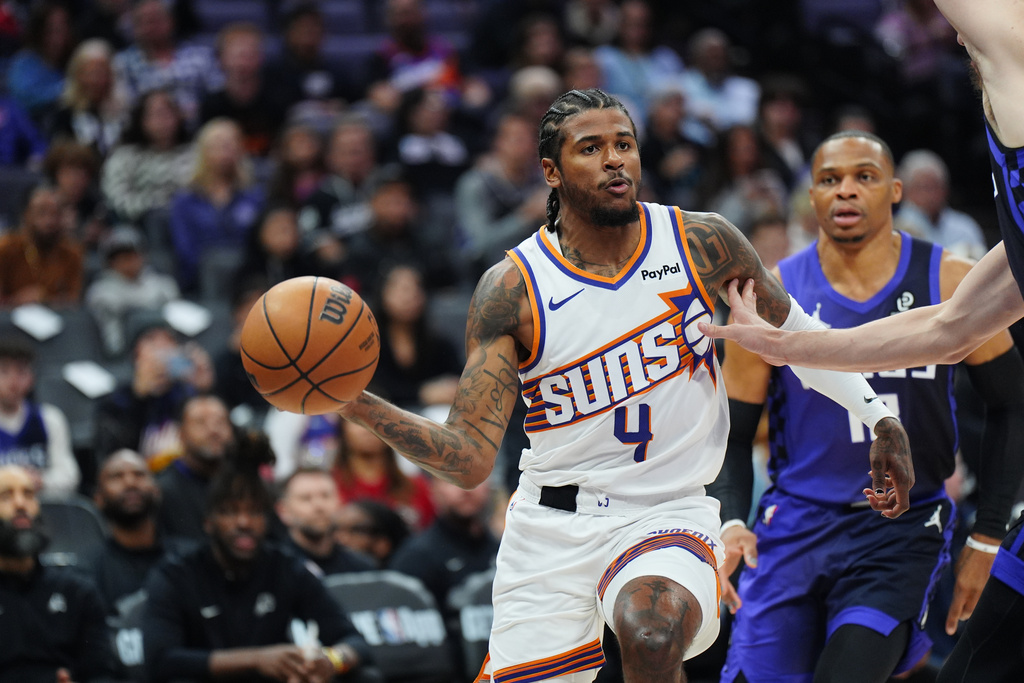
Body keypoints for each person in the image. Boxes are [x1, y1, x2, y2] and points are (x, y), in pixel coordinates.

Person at [329, 88, 913, 683]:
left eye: (624, 144)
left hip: (670, 511)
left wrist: (880, 417)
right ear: (551, 171)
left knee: (651, 632)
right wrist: (356, 402)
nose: (614, 159)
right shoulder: (512, 288)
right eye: (591, 148)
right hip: (552, 526)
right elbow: (469, 458)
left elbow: (800, 336)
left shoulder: (701, 243)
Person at [697, 3, 1024, 679]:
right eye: (830, 180)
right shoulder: (775, 292)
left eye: (864, 178)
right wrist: (789, 346)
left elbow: (1007, 396)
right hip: (797, 524)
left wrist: (987, 530)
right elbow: (947, 331)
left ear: (895, 191)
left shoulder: (943, 267)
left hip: (898, 531)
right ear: (810, 195)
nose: (846, 192)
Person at [141, 431, 380, 682]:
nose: (244, 522)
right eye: (230, 512)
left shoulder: (285, 567)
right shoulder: (177, 573)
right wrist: (256, 660)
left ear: (267, 520)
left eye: (254, 512)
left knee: (365, 677)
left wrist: (332, 661)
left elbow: (354, 641)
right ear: (209, 522)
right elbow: (160, 661)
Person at [0, 464, 119, 682]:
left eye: (29, 494)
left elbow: (102, 673)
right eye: (6, 496)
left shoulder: (76, 591)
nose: (21, 504)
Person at [93, 316, 215, 468]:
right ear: (135, 354)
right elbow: (112, 459)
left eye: (169, 339)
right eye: (151, 340)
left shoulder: (188, 395)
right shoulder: (115, 402)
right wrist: (138, 398)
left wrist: (206, 391)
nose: (161, 348)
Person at [83, 449, 186, 614]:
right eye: (117, 476)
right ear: (98, 499)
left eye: (139, 474)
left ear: (156, 491)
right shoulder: (86, 571)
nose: (130, 483)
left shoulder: (188, 561)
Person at [0, 336, 80, 496]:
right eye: (4, 371)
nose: (13, 381)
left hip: (42, 503)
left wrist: (42, 481)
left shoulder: (50, 418)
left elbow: (70, 476)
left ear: (32, 378)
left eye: (21, 372)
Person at [85, 226, 180, 358]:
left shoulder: (163, 285)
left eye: (133, 255)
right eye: (122, 257)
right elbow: (113, 341)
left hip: (167, 352)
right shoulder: (101, 291)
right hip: (124, 355)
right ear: (110, 262)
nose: (129, 261)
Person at [155, 394, 235, 542]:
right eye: (200, 423)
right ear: (180, 434)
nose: (213, 430)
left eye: (220, 422)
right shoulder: (160, 491)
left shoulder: (246, 482)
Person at [276, 467, 376, 578]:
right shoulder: (274, 569)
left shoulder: (362, 570)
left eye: (326, 496)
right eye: (306, 498)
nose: (319, 506)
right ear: (284, 511)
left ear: (340, 502)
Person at [895, 149, 988, 261]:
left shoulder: (965, 227)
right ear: (906, 190)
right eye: (924, 187)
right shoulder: (896, 229)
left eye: (936, 186)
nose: (931, 195)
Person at [0, 183, 83, 308]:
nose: (49, 221)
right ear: (26, 214)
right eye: (41, 212)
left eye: (56, 214)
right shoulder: (5, 248)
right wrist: (16, 301)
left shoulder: (72, 253)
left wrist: (45, 299)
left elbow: (72, 302)